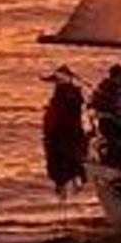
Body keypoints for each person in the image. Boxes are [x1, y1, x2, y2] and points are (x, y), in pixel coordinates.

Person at [40, 66, 88, 194]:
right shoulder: (71, 93)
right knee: (71, 157)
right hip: (70, 130)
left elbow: (63, 114)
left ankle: (68, 183)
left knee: (62, 157)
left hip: (64, 131)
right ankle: (73, 182)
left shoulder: (65, 94)